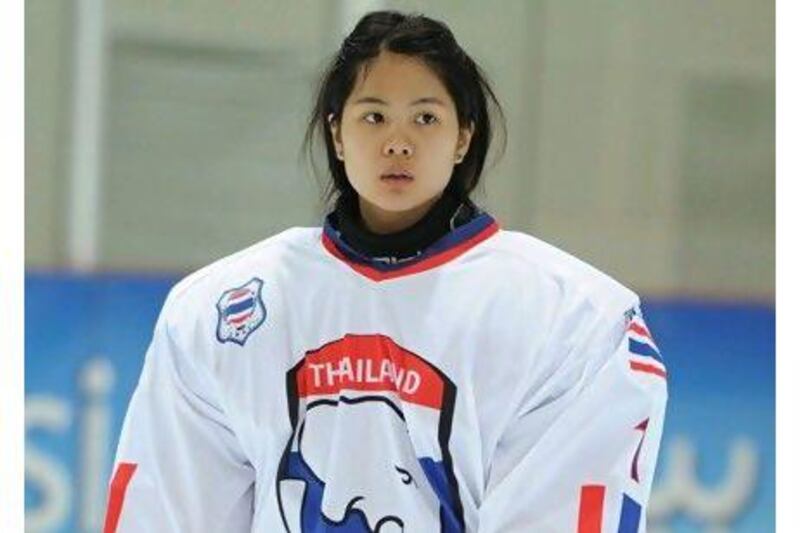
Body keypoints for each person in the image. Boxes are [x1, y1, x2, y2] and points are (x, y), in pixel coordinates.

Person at [104, 10, 668, 533]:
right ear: (337, 134)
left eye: (425, 118)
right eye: (374, 116)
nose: (398, 142)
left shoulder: (574, 318)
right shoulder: (219, 309)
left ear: (462, 136)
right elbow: (167, 509)